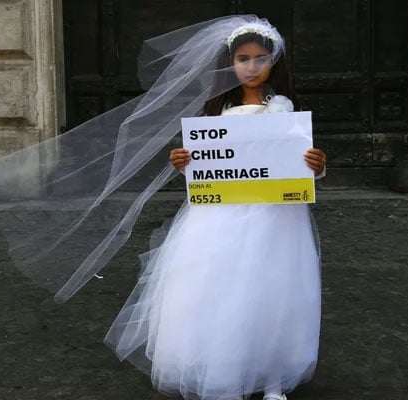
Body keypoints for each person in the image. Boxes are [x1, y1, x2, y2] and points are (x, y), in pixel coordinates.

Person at [106, 18, 326, 400]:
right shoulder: (216, 114)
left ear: (274, 62)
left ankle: (271, 377)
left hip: (275, 219)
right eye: (243, 59)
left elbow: (296, 164)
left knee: (272, 291)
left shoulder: (283, 108)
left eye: (261, 59)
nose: (252, 67)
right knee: (219, 289)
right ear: (230, 63)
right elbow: (209, 163)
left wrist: (315, 165)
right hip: (219, 217)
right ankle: (223, 372)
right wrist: (185, 162)